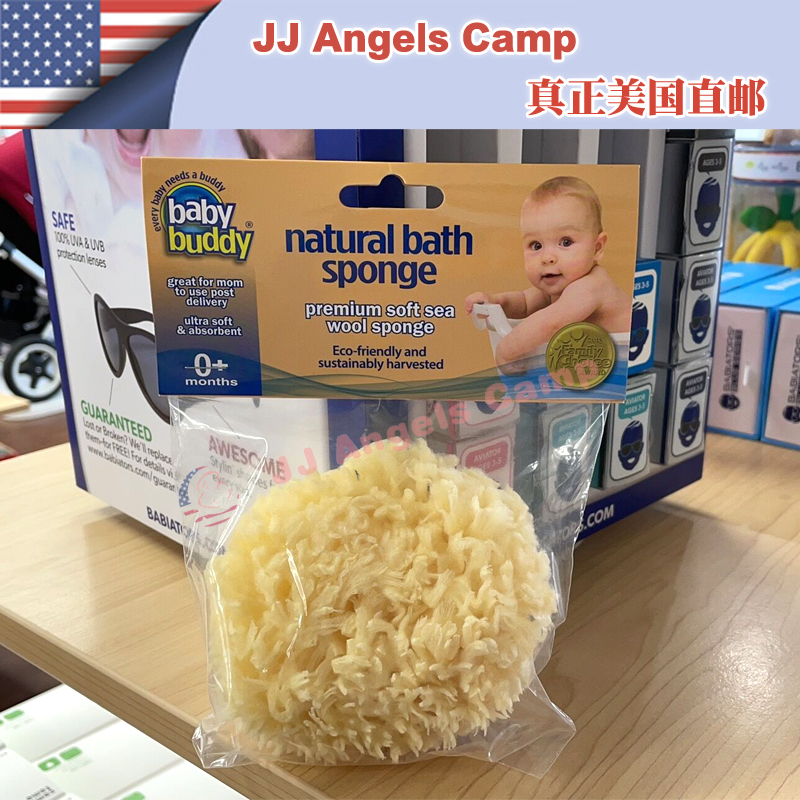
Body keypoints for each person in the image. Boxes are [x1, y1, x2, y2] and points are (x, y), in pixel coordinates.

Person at [465, 176, 630, 374]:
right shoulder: (557, 289)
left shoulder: (591, 286)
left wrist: (506, 351)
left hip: (626, 363)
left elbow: (550, 325)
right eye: (536, 245)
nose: (547, 258)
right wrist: (495, 302)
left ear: (597, 248)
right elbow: (524, 304)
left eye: (566, 242)